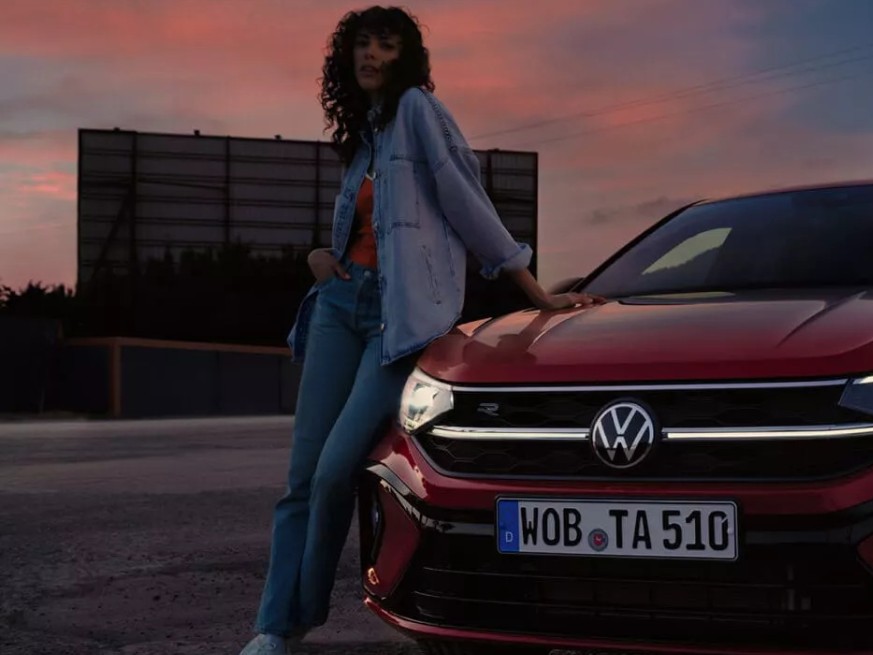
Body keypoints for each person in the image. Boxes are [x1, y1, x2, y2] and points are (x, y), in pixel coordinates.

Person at [239, 6, 603, 654]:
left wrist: (535, 290)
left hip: (396, 319)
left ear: (404, 57)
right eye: (361, 44)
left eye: (385, 44)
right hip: (338, 306)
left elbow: (466, 200)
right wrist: (320, 258)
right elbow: (362, 229)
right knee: (300, 477)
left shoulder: (417, 111)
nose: (370, 54)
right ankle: (276, 629)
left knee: (333, 472)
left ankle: (302, 612)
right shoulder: (364, 135)